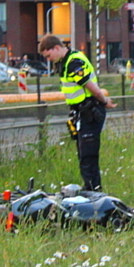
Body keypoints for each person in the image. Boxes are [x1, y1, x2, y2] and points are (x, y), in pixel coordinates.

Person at [39, 34, 115, 192]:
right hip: (81, 112)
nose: (49, 59)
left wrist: (104, 102)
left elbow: (92, 87)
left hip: (90, 110)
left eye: (48, 55)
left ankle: (93, 190)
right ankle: (90, 187)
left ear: (57, 48)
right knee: (83, 153)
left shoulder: (74, 63)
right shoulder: (66, 61)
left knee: (88, 154)